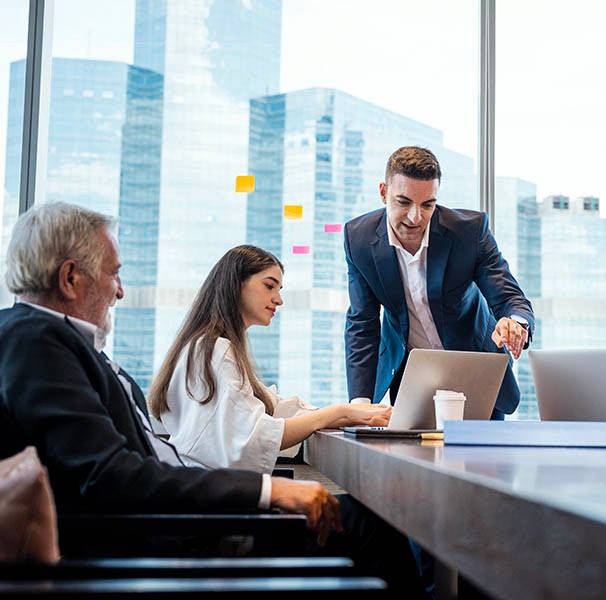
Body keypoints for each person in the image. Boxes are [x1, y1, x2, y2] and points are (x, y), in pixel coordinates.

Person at [0, 202, 424, 595]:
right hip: (178, 536)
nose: (120, 291)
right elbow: (113, 474)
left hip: (184, 518)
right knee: (373, 527)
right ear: (70, 278)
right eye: (113, 274)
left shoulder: (54, 343)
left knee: (366, 521)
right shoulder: (34, 341)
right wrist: (265, 492)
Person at [148, 244, 391, 474]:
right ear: (236, 284)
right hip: (212, 496)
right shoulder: (215, 350)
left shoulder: (208, 346)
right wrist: (337, 411)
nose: (278, 299)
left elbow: (273, 406)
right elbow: (254, 434)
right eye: (269, 286)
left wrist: (351, 414)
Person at [344, 146, 535, 418]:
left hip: (475, 371)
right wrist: (360, 403)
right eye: (403, 202)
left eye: (427, 205)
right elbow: (362, 323)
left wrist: (515, 322)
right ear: (384, 192)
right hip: (413, 376)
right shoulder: (358, 238)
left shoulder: (469, 232)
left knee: (484, 459)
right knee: (413, 457)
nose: (416, 217)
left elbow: (509, 298)